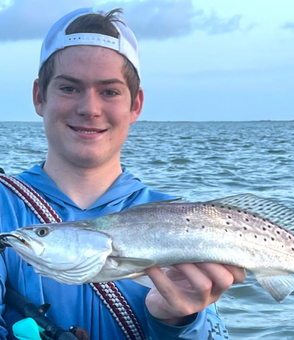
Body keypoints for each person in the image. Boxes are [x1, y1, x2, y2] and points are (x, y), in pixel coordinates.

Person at [0, 7, 246, 340]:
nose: (89, 108)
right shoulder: (5, 209)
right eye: (69, 88)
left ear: (136, 106)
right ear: (39, 97)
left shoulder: (181, 217)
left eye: (110, 91)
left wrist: (176, 321)